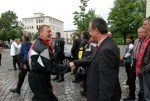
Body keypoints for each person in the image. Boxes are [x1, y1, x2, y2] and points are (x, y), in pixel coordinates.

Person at [69, 18, 121, 101]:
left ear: (96, 30)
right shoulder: (105, 44)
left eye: (90, 31)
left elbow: (106, 84)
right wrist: (75, 63)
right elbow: (92, 57)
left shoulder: (106, 49)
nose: (89, 33)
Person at [28, 25, 70, 101]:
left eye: (50, 31)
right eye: (48, 31)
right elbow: (52, 68)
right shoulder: (42, 47)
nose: (50, 33)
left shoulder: (37, 43)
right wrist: (68, 66)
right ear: (41, 33)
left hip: (35, 77)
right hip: (39, 80)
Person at [123, 27, 147, 100]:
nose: (139, 33)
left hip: (143, 63)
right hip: (135, 62)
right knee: (131, 79)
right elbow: (133, 53)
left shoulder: (146, 41)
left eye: (141, 32)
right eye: (138, 32)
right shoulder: (136, 41)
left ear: (145, 32)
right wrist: (133, 62)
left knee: (143, 81)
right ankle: (132, 96)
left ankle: (142, 97)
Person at [136, 17, 150, 101]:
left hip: (146, 71)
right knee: (143, 93)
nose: (143, 26)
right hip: (142, 70)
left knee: (147, 95)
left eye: (144, 24)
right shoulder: (146, 38)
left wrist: (145, 69)